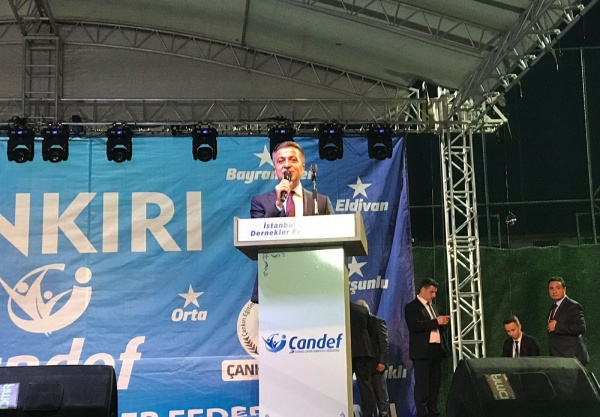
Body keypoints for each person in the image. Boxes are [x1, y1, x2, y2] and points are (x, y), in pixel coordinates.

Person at [249, 141, 334, 303]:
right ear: (275, 168)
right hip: (273, 285)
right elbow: (257, 239)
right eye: (281, 161)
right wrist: (279, 204)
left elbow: (335, 241)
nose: (287, 165)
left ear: (303, 167)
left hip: (314, 283)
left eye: (293, 160)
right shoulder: (260, 202)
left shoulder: (321, 202)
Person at [404, 278, 450, 417]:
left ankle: (433, 411)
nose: (433, 295)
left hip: (436, 350)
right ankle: (423, 413)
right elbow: (415, 326)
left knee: (435, 384)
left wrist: (442, 323)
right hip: (422, 352)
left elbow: (435, 327)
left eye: (435, 292)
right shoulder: (412, 307)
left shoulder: (433, 307)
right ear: (423, 290)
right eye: (431, 292)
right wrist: (436, 322)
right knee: (422, 385)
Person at [357, 300, 390, 417]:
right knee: (366, 398)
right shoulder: (355, 325)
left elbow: (384, 343)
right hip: (362, 367)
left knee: (381, 397)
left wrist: (382, 362)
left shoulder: (378, 322)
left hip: (376, 366)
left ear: (366, 309)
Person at [547, 276, 590, 364]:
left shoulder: (573, 306)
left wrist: (557, 326)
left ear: (564, 289)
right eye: (551, 288)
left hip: (572, 358)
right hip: (559, 357)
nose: (554, 291)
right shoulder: (554, 307)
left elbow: (581, 327)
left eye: (558, 288)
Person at [350, 301, 377, 417]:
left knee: (343, 384)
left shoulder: (341, 310)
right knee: (365, 385)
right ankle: (368, 414)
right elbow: (371, 331)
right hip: (363, 351)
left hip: (347, 353)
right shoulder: (363, 310)